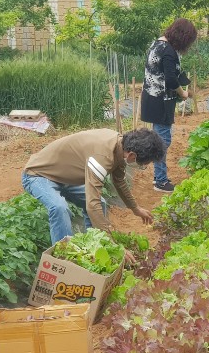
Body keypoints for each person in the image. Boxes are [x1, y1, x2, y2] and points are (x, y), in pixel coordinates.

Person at [22, 128, 165, 246]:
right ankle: (63, 257)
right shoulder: (101, 157)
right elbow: (92, 204)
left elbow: (119, 181)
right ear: (132, 155)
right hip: (38, 175)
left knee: (101, 203)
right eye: (141, 163)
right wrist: (111, 242)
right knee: (59, 207)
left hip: (64, 179)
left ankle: (93, 245)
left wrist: (135, 208)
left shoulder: (120, 146)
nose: (141, 166)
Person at [140, 18, 198, 193]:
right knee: (163, 141)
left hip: (151, 99)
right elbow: (171, 79)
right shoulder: (169, 52)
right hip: (161, 102)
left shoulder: (157, 44)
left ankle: (159, 176)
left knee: (160, 139)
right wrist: (183, 93)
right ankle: (160, 181)